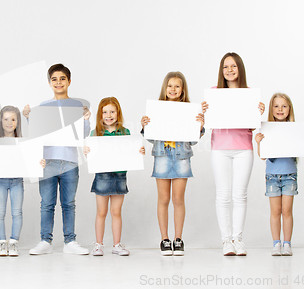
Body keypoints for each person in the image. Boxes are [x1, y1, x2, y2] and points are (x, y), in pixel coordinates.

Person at [23, 63, 91, 255]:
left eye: (62, 79)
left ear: (69, 81)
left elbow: (83, 134)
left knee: (69, 203)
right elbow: (36, 133)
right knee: (47, 203)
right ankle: (46, 240)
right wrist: (29, 118)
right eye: (54, 79)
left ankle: (70, 241)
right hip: (48, 160)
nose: (58, 82)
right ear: (49, 82)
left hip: (70, 160)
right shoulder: (44, 106)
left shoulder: (77, 105)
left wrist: (86, 119)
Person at [202, 52, 265, 256]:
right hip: (220, 147)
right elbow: (206, 121)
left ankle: (238, 239)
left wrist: (259, 113)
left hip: (243, 148)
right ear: (221, 71)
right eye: (225, 67)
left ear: (240, 69)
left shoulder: (249, 94)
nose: (229, 70)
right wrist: (204, 112)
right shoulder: (214, 93)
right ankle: (226, 241)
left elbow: (253, 126)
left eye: (233, 66)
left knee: (240, 195)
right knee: (223, 194)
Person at [140, 72, 205, 256]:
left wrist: (199, 127)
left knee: (178, 199)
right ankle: (164, 239)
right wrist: (145, 127)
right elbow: (151, 138)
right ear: (165, 88)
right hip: (162, 155)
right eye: (170, 86)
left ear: (182, 89)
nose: (173, 89)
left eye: (177, 86)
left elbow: (192, 141)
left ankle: (178, 239)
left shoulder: (189, 110)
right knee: (163, 199)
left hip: (181, 155)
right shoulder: (157, 109)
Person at [255, 93, 304, 256]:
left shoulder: (295, 130)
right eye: (276, 106)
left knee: (287, 210)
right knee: (275, 211)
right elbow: (262, 156)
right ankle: (276, 243)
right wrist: (258, 142)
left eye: (284, 106)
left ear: (289, 109)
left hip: (289, 174)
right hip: (272, 176)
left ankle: (287, 243)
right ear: (271, 109)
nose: (280, 109)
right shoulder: (266, 128)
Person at [84, 97, 145, 256]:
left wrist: (138, 152)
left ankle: (117, 245)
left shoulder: (125, 132)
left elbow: (131, 152)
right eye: (105, 112)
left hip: (119, 177)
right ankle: (98, 245)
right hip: (102, 177)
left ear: (118, 113)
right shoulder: (95, 133)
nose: (108, 115)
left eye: (112, 111)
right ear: (100, 114)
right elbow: (92, 156)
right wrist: (87, 153)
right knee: (101, 212)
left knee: (116, 212)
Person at [0, 106, 46, 256]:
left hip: (17, 181)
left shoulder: (23, 142)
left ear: (18, 122)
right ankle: (2, 243)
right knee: (0, 212)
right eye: (5, 119)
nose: (9, 123)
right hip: (0, 181)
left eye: (13, 119)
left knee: (17, 212)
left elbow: (31, 159)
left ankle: (13, 243)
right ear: (0, 121)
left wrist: (39, 162)